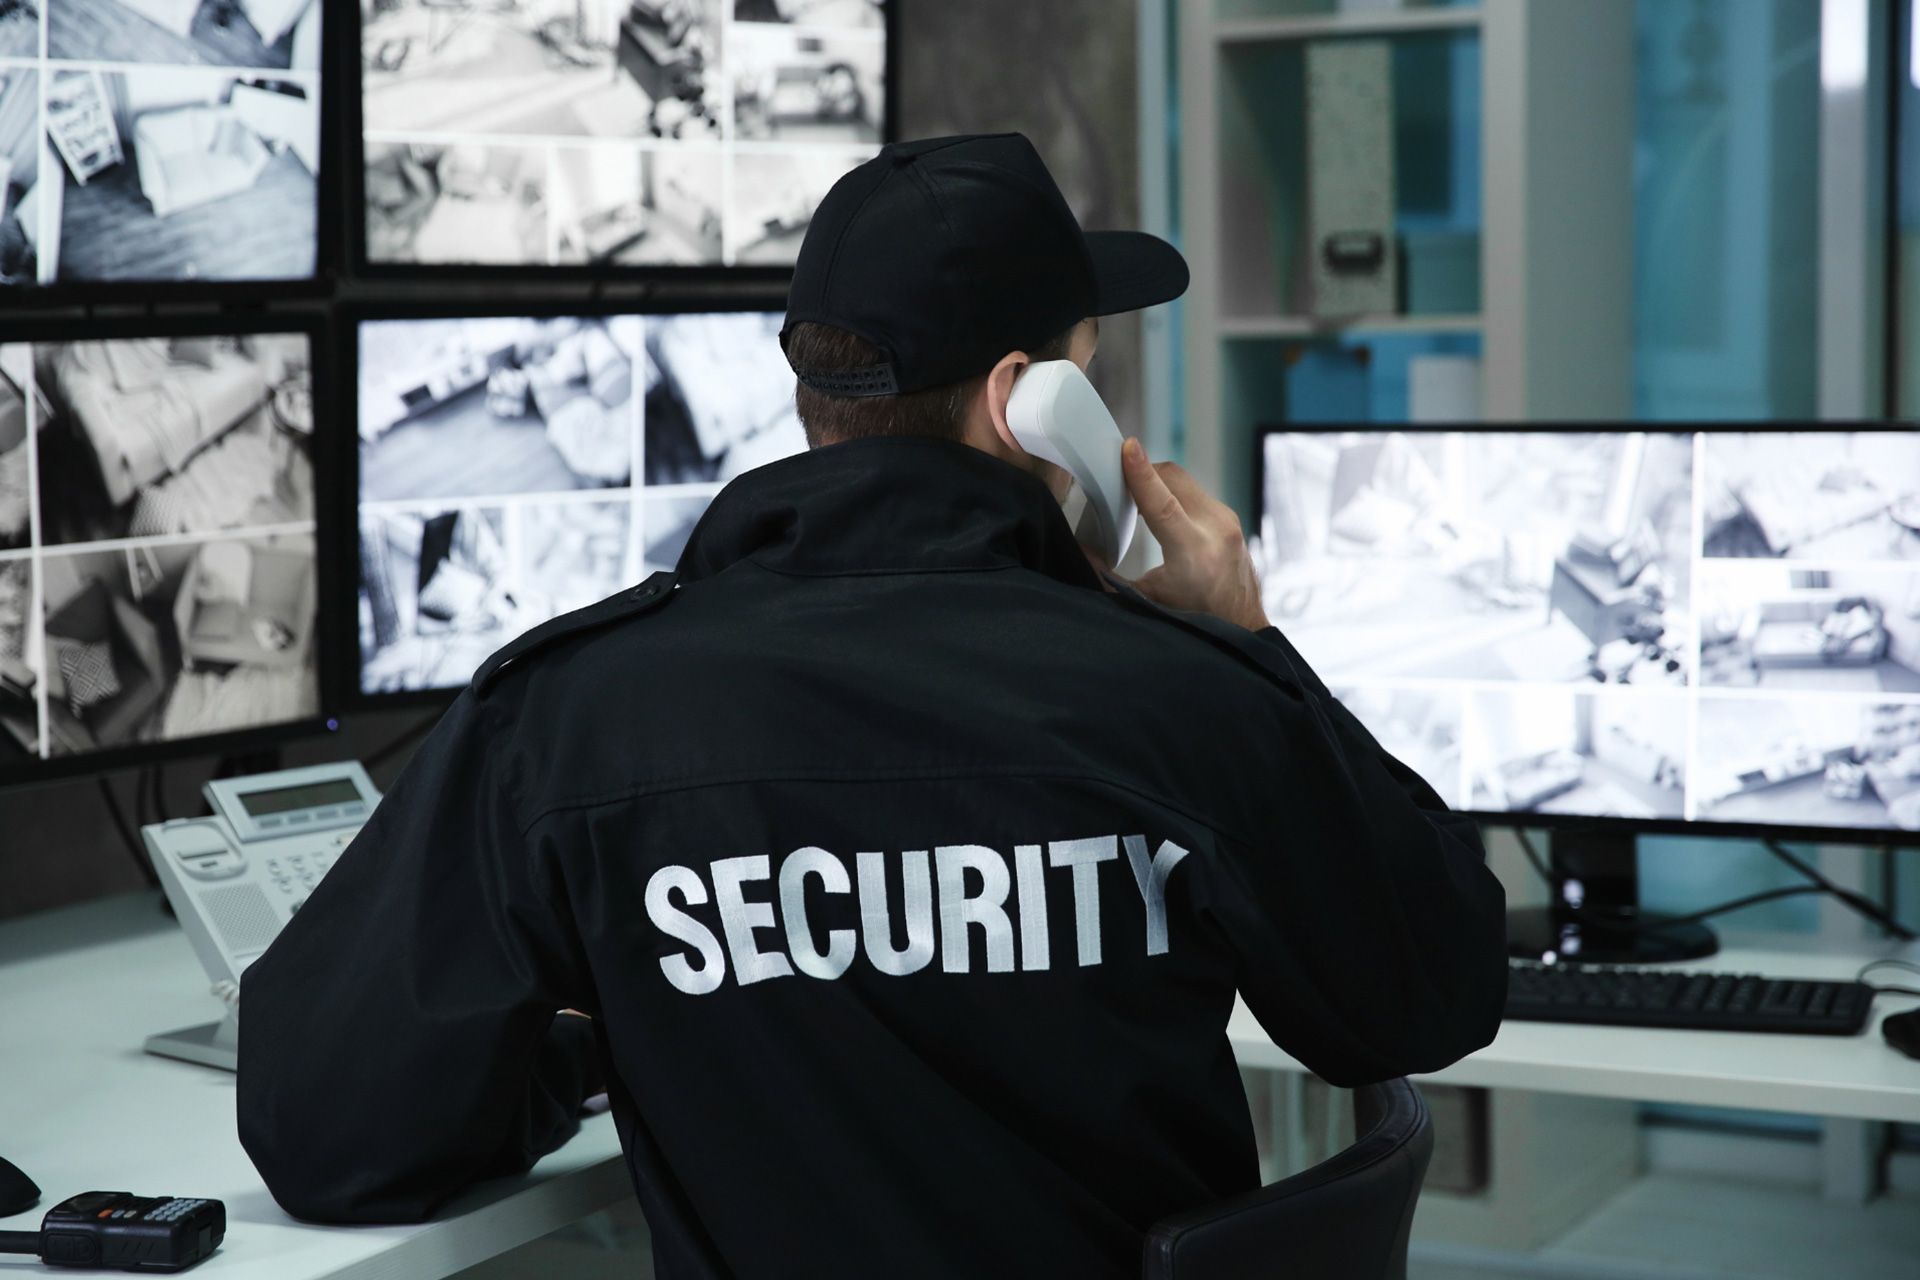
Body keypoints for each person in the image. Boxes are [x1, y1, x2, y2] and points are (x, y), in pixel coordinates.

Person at [238, 133, 1506, 1277]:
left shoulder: (568, 712)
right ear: (1032, 405)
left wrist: (600, 1037)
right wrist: (1252, 642)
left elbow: (328, 1131)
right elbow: (1432, 994)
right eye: (1088, 370)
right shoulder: (1179, 694)